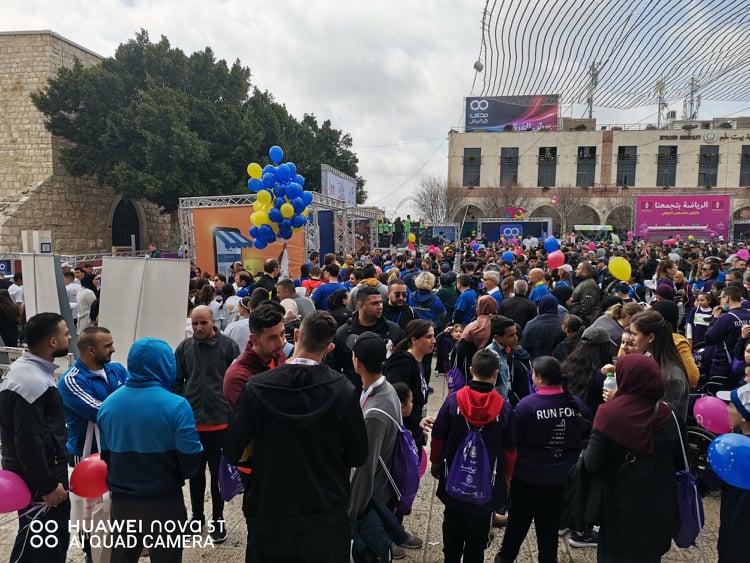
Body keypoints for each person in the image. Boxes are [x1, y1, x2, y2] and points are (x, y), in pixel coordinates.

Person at [224, 311, 368, 563]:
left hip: (271, 508)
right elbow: (358, 453)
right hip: (324, 510)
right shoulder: (343, 389)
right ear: (330, 347)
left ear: (298, 335)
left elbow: (233, 450)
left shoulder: (257, 387)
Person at [97, 337, 204, 563]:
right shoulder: (176, 405)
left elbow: (106, 455)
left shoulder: (108, 405)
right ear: (166, 365)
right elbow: (192, 458)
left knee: (122, 557)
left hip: (122, 501)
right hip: (163, 501)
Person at [582, 354, 681, 561]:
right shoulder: (670, 415)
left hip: (619, 505)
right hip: (659, 504)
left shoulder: (609, 414)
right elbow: (680, 461)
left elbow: (592, 464)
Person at [496, 356, 591, 563]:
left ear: (538, 378)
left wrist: (507, 475)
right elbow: (586, 437)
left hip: (527, 478)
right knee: (549, 528)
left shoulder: (526, 406)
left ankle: (505, 558)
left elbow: (511, 441)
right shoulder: (577, 405)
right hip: (561, 479)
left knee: (517, 524)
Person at [430, 349, 516, 563]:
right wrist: (507, 476)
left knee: (452, 524)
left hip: (454, 477)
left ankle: (451, 556)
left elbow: (438, 437)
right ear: (496, 374)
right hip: (488, 482)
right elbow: (510, 449)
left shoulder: (453, 402)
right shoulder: (504, 409)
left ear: (471, 371)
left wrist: (435, 462)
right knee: (477, 538)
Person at [0, 312, 71, 562]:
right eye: (65, 333)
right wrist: (48, 486)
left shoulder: (25, 371)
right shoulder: (32, 382)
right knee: (46, 546)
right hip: (41, 479)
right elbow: (29, 441)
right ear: (52, 341)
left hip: (32, 475)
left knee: (32, 540)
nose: (70, 336)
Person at [349, 332, 423, 561]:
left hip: (373, 497)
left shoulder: (374, 413)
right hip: (381, 490)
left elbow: (364, 468)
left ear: (357, 362)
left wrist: (351, 516)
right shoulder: (387, 389)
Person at [173, 305, 239, 542]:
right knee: (195, 474)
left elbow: (236, 382)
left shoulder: (228, 347)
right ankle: (198, 517)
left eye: (203, 323)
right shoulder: (184, 348)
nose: (198, 328)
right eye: (194, 324)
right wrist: (182, 408)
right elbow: (177, 381)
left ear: (214, 323)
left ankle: (218, 519)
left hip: (220, 424)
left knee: (218, 475)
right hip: (192, 425)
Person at [328, 286, 404, 390]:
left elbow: (402, 364)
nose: (380, 306)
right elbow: (333, 367)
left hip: (386, 393)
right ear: (361, 306)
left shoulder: (393, 331)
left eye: (381, 302)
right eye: (374, 303)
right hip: (352, 395)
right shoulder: (343, 333)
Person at [383, 319, 435, 452]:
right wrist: (415, 422)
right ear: (414, 340)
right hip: (402, 434)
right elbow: (396, 400)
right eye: (428, 337)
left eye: (433, 336)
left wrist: (419, 425)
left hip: (414, 432)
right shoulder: (402, 364)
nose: (434, 341)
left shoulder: (418, 363)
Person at [223, 302, 287, 411]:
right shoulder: (237, 377)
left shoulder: (279, 355)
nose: (280, 342)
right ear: (254, 340)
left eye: (282, 334)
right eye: (272, 338)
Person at [705, 285, 750, 388]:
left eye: (721, 298)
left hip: (724, 366)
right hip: (744, 366)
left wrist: (715, 318)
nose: (720, 301)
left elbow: (709, 339)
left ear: (727, 298)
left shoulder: (726, 318)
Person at [561, 325, 612, 416]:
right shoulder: (602, 374)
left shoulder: (566, 366)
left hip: (570, 416)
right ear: (605, 348)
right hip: (594, 419)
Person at [519, 294, 565, 360]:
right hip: (558, 364)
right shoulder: (563, 325)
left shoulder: (531, 324)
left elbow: (524, 346)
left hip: (536, 364)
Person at [569, 261, 600, 326]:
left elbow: (586, 307)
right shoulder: (584, 282)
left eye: (578, 269)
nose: (575, 271)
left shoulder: (588, 285)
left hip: (582, 322)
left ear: (584, 272)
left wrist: (581, 323)